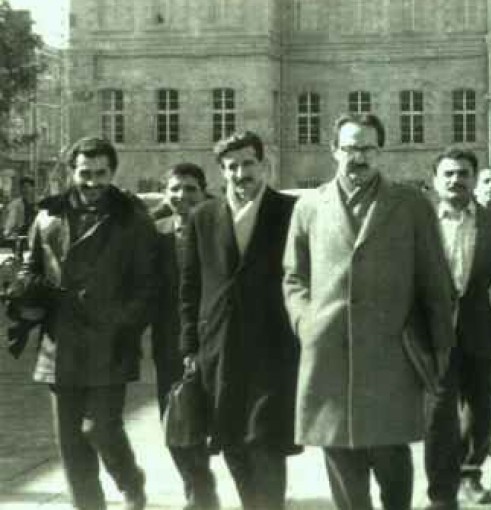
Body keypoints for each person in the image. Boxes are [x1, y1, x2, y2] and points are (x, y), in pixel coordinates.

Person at [283, 113, 455, 510]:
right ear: (334, 150)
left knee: (392, 458)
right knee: (340, 456)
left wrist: (441, 346)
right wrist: (305, 321)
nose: (357, 157)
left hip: (391, 355)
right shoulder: (310, 206)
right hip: (328, 354)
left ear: (380, 152)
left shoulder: (410, 204)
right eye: (349, 148)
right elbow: (294, 276)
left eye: (367, 148)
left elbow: (435, 279)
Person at [24, 136, 156, 510]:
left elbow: (148, 285)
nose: (93, 182)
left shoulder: (132, 218)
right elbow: (32, 267)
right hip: (60, 343)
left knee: (100, 428)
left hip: (109, 343)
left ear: (112, 172)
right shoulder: (47, 215)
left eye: (101, 173)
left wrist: (121, 323)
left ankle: (130, 481)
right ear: (72, 171)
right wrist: (27, 290)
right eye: (85, 173)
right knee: (71, 446)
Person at [180, 131, 300, 510]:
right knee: (231, 440)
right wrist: (190, 346)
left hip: (274, 345)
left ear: (264, 165)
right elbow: (190, 287)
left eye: (248, 164)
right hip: (221, 347)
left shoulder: (290, 211)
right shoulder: (203, 217)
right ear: (221, 171)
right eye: (232, 166)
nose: (241, 173)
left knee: (267, 441)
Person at [424, 147, 491, 508]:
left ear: (474, 179)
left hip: (483, 330)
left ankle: (469, 472)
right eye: (448, 174)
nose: (456, 180)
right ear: (435, 181)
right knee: (438, 416)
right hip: (434, 334)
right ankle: (440, 493)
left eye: (463, 173)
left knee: (481, 409)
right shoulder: (422, 223)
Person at [151, 162, 219, 509]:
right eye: (175, 189)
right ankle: (198, 489)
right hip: (169, 342)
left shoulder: (220, 227)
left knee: (215, 421)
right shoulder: (156, 233)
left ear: (204, 192)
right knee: (175, 420)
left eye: (190, 189)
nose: (182, 196)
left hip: (215, 340)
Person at [3, 175, 37, 245]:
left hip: (35, 237)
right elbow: (10, 222)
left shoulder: (38, 204)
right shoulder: (14, 204)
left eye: (28, 187)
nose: (25, 190)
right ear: (20, 189)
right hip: (19, 237)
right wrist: (7, 232)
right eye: (23, 187)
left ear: (33, 188)